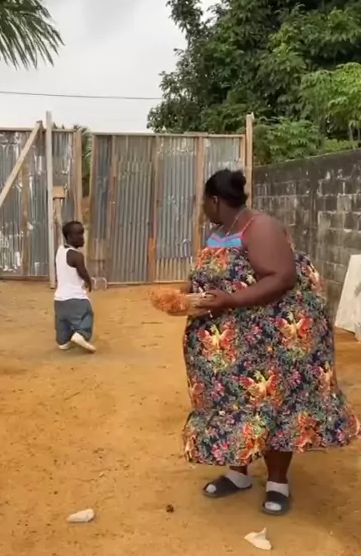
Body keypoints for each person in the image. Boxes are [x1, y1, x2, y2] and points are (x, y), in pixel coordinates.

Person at [153, 168, 359, 516]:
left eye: (204, 202)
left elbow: (282, 277)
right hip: (229, 348)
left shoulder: (259, 227)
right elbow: (215, 276)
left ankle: (277, 482)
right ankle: (238, 474)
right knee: (232, 406)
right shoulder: (220, 232)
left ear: (215, 200)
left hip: (268, 345)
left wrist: (231, 301)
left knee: (274, 406)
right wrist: (182, 293)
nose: (203, 208)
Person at [54, 220, 95, 353]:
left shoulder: (60, 251)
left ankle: (63, 341)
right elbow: (82, 272)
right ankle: (81, 334)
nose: (82, 237)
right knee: (87, 315)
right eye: (79, 234)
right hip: (76, 299)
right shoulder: (77, 256)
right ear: (69, 236)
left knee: (63, 323)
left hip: (59, 301)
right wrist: (89, 281)